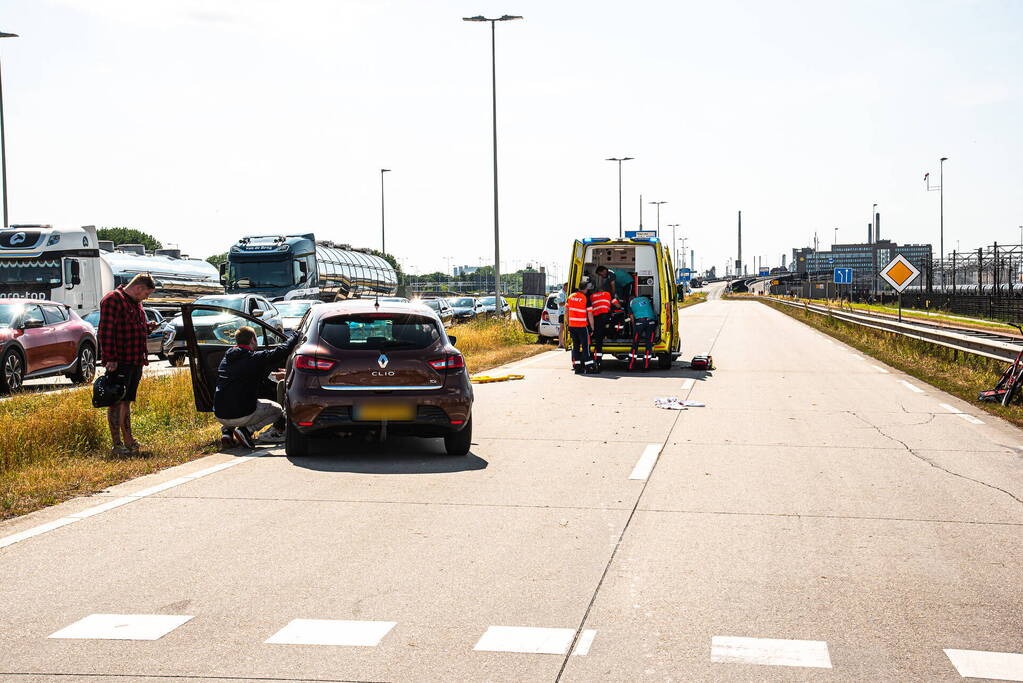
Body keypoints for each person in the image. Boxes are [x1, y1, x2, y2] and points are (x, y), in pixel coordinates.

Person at [98, 273, 157, 457]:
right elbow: (105, 331)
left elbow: (130, 327)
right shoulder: (113, 300)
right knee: (115, 401)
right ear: (138, 288)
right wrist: (110, 358)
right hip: (120, 361)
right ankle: (117, 444)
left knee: (127, 401)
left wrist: (147, 327)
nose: (146, 298)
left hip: (135, 359)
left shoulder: (135, 303)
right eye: (146, 294)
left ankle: (128, 439)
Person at [214, 326, 300, 448]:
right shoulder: (254, 358)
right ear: (253, 339)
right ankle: (247, 431)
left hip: (219, 413)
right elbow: (282, 350)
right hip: (240, 414)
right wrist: (296, 335)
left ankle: (227, 432)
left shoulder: (226, 358)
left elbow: (243, 372)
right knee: (277, 410)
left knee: (231, 395)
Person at [565, 279, 595, 374]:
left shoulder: (570, 296)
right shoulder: (585, 298)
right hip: (582, 326)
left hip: (572, 326)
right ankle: (589, 367)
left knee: (576, 347)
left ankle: (577, 367)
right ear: (585, 289)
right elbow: (590, 314)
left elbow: (566, 312)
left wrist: (568, 323)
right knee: (585, 347)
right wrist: (592, 327)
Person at [628, 294, 657, 372]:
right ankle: (645, 367)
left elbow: (631, 317)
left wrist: (634, 327)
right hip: (651, 322)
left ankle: (631, 366)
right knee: (648, 345)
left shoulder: (631, 303)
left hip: (639, 322)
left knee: (635, 344)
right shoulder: (646, 299)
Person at [589, 287, 613, 372]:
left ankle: (597, 359)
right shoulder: (608, 294)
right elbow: (615, 303)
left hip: (596, 318)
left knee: (598, 338)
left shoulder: (592, 296)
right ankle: (609, 335)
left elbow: (590, 309)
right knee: (608, 327)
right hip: (605, 317)